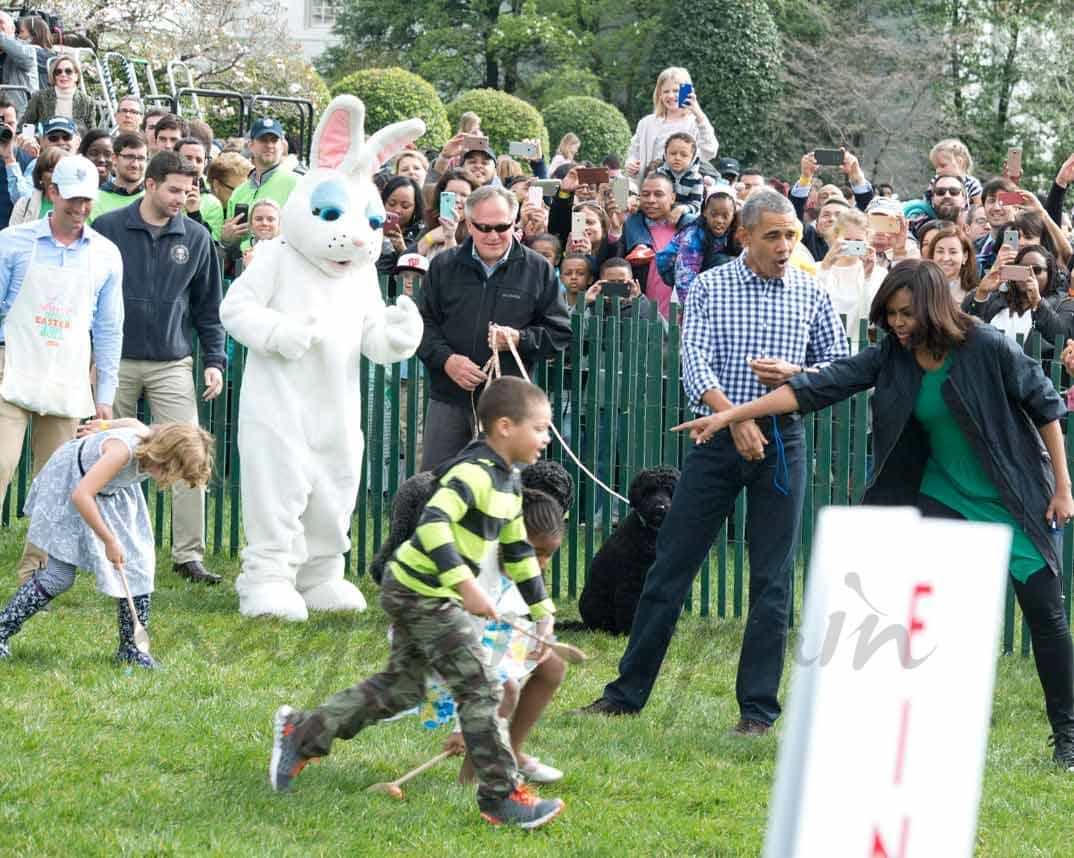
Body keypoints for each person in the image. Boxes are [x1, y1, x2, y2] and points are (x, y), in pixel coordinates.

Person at [674, 259, 1074, 771]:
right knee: (911, 607)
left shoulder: (985, 346)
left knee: (1046, 616)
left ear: (931, 305)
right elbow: (818, 387)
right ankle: (896, 722)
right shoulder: (893, 356)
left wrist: (1062, 487)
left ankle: (1066, 735)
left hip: (1015, 495)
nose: (899, 323)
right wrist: (734, 413)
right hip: (943, 493)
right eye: (891, 314)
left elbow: (1046, 408)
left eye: (907, 313)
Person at [579, 189, 849, 731]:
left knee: (773, 581)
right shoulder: (709, 286)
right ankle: (625, 695)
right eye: (772, 235)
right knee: (670, 567)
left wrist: (796, 376)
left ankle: (757, 712)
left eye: (792, 235)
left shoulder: (810, 291)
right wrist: (735, 417)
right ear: (744, 236)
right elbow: (694, 365)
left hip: (783, 439)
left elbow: (839, 366)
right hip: (716, 438)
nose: (784, 245)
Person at [269, 377, 566, 828]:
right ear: (505, 427)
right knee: (482, 685)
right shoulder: (473, 473)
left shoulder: (509, 480)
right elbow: (432, 524)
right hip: (421, 592)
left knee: (401, 689)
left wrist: (542, 611)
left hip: (423, 589)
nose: (546, 438)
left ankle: (302, 733)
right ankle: (502, 797)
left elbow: (518, 549)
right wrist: (466, 584)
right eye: (540, 427)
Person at [92, 151, 226, 585]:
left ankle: (188, 556)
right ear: (149, 184)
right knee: (105, 456)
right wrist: (89, 356)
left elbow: (209, 308)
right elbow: (87, 296)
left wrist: (215, 361)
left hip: (172, 362)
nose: (181, 197)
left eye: (188, 190)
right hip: (115, 360)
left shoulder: (198, 237)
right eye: (173, 189)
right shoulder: (108, 229)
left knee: (189, 455)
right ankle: (101, 547)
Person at [0, 154, 125, 585]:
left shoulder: (107, 255)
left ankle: (34, 571)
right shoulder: (12, 243)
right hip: (12, 368)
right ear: (52, 193)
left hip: (68, 375)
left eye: (87, 201)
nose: (80, 209)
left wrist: (104, 397)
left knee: (53, 481)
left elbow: (109, 329)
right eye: (72, 199)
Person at [0, 420, 213, 668]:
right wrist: (109, 540)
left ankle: (131, 650)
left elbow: (132, 422)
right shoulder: (121, 452)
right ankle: (2, 630)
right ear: (163, 455)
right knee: (59, 576)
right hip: (72, 484)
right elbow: (81, 495)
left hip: (109, 491)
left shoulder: (149, 440)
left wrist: (104, 425)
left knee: (138, 566)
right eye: (171, 472)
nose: (169, 480)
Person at [416, 186, 570, 471]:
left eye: (502, 227)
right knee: (436, 488)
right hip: (449, 399)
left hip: (510, 408)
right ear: (468, 223)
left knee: (503, 495)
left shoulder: (538, 269)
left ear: (515, 223)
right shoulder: (443, 267)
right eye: (484, 227)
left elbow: (559, 333)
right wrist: (447, 361)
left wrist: (519, 338)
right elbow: (421, 325)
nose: (493, 235)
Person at [222, 117, 297, 252]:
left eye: (274, 140)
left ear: (282, 146)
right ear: (251, 145)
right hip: (245, 268)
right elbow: (232, 248)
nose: (269, 145)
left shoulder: (297, 184)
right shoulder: (239, 192)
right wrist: (227, 240)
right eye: (263, 140)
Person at [658, 185, 741, 306]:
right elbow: (684, 279)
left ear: (733, 216)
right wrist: (693, 309)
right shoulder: (692, 236)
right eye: (714, 214)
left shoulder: (735, 232)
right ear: (705, 213)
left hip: (706, 266)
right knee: (721, 261)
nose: (719, 220)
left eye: (725, 216)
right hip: (674, 269)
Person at [625, 67, 717, 176]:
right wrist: (630, 163)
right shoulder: (646, 123)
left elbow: (710, 151)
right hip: (651, 185)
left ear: (687, 92)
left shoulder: (695, 123)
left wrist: (698, 113)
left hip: (684, 188)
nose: (670, 95)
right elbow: (633, 153)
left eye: (676, 91)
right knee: (619, 186)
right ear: (659, 94)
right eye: (666, 91)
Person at [816, 207, 886, 348]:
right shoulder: (816, 269)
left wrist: (868, 277)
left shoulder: (879, 274)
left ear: (867, 241)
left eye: (858, 241)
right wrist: (826, 266)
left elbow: (872, 317)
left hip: (861, 351)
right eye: (847, 240)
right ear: (835, 237)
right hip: (825, 350)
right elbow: (815, 309)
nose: (852, 245)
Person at [412, 168, 476, 260]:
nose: (457, 200)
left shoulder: (477, 230)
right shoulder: (429, 222)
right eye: (451, 194)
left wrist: (449, 237)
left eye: (464, 195)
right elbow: (406, 261)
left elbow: (458, 269)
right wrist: (429, 238)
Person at [19, 54, 93, 130]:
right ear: (54, 76)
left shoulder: (87, 101)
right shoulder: (39, 97)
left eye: (68, 71)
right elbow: (25, 124)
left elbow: (92, 133)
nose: (63, 75)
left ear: (76, 76)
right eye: (58, 72)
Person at [90, 131, 146, 221]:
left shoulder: (154, 199)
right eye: (129, 157)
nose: (135, 164)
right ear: (114, 159)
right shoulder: (94, 201)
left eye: (141, 158)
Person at [175, 136, 223, 240]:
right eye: (188, 158)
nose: (193, 164)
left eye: (199, 160)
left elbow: (211, 247)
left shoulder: (213, 204)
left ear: (205, 163)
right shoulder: (160, 192)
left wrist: (195, 214)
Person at [377, 175, 424, 274]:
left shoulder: (422, 233)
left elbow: (419, 275)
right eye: (392, 203)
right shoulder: (370, 227)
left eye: (405, 206)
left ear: (415, 208)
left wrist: (402, 249)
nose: (397, 210)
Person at [0, 94, 32, 228]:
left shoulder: (27, 155)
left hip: (13, 231)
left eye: (10, 124)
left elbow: (25, 202)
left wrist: (9, 158)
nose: (5, 128)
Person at [8, 144, 60, 225]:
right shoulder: (24, 204)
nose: (57, 174)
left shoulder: (79, 205)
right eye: (51, 170)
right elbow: (12, 236)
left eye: (61, 169)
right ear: (40, 175)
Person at [924, 224, 978, 303]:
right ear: (933, 255)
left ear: (965, 256)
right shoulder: (920, 287)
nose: (946, 258)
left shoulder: (973, 295)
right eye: (940, 251)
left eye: (953, 252)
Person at [657, 131, 704, 219]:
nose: (677, 158)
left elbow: (696, 205)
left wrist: (682, 209)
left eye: (684, 155)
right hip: (660, 214)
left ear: (692, 158)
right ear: (665, 155)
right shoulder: (659, 174)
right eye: (673, 153)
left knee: (690, 218)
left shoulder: (697, 179)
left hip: (683, 216)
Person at [0, 11, 38, 114]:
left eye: (0, 22)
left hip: (20, 116)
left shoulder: (27, 48)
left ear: (13, 29)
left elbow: (26, 60)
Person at [15, 15, 51, 91]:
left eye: (22, 32)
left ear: (34, 33)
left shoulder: (35, 54)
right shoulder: (49, 53)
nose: (19, 36)